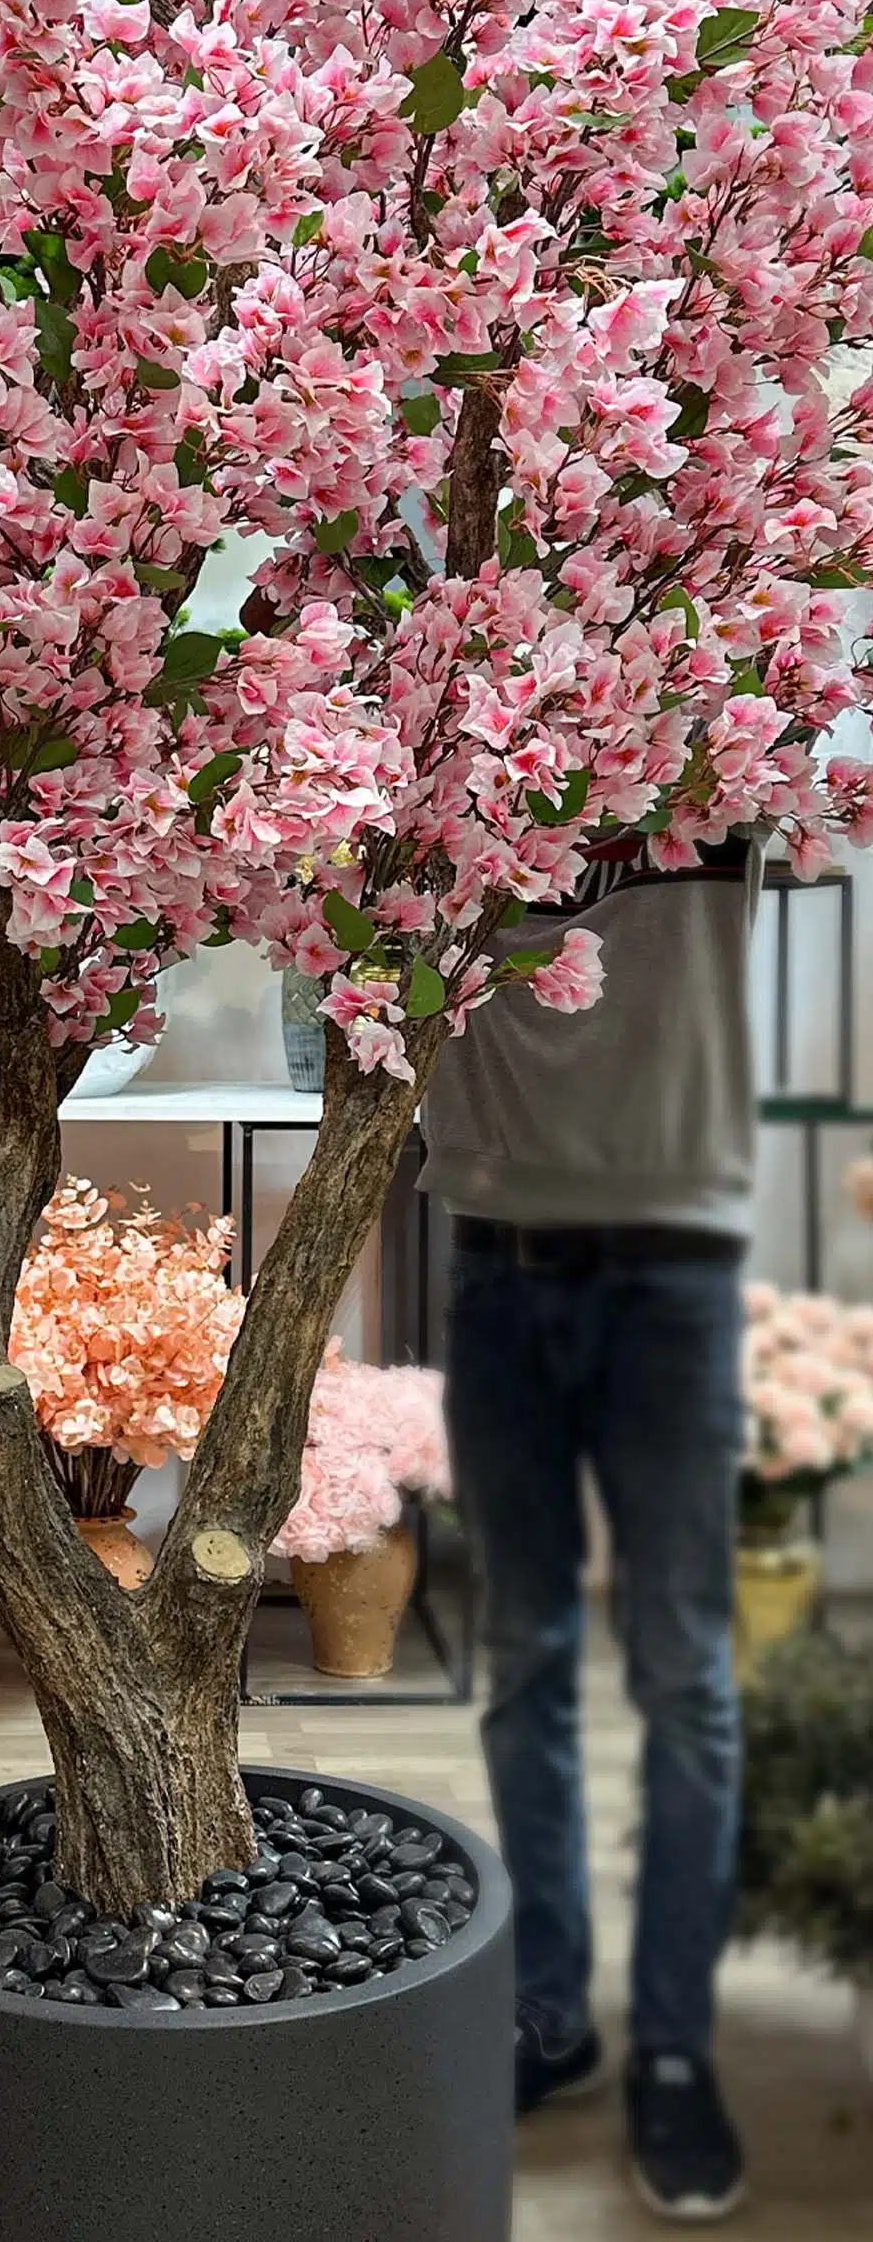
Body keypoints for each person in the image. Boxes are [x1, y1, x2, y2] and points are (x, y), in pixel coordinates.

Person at [422, 833, 756, 2224]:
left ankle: (675, 2046)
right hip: (497, 1258)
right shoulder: (430, 728)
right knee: (528, 1655)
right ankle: (551, 2015)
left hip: (672, 1266)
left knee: (682, 1671)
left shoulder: (726, 697)